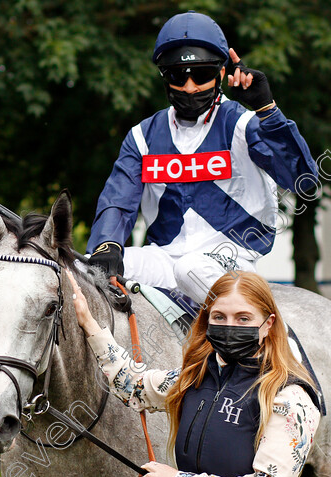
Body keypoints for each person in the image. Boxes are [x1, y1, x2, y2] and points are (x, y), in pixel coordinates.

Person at [65, 269, 324, 477]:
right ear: (207, 320)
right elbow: (132, 384)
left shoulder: (288, 395)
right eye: (219, 317)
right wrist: (89, 323)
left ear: (268, 324)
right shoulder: (191, 380)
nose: (229, 327)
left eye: (243, 318)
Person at [86, 11, 318, 304]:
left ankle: (255, 342)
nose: (190, 87)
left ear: (221, 74)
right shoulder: (142, 136)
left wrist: (267, 110)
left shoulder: (245, 124)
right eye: (177, 76)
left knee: (191, 268)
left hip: (233, 258)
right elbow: (118, 202)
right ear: (164, 77)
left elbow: (303, 180)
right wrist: (107, 245)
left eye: (202, 75)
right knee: (86, 268)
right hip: (164, 259)